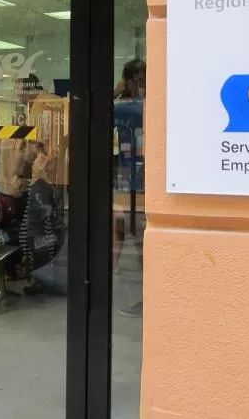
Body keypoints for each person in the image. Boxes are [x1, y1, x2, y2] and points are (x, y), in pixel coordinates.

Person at [113, 59, 146, 317]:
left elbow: (96, 106)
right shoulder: (145, 106)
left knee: (141, 237)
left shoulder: (130, 108)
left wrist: (117, 89)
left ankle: (150, 297)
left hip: (138, 182)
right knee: (136, 234)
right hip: (133, 179)